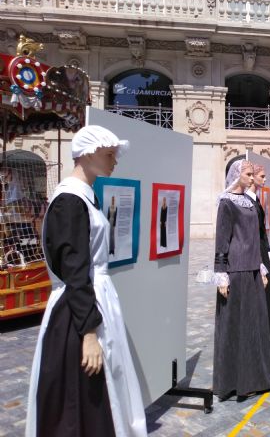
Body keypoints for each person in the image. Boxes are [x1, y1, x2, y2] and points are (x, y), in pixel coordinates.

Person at [26, 125, 146, 437]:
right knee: (80, 395)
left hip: (92, 300)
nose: (114, 161)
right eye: (109, 154)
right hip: (76, 310)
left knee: (97, 391)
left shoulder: (83, 197)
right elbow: (74, 270)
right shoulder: (69, 200)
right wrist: (89, 333)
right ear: (88, 154)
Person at [212, 160, 270, 399]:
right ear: (237, 175)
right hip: (235, 272)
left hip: (252, 270)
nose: (252, 178)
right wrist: (221, 274)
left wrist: (261, 267)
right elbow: (222, 239)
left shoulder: (250, 203)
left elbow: (255, 238)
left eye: (253, 175)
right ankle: (234, 382)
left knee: (256, 328)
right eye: (248, 174)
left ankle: (259, 379)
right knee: (236, 328)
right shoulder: (227, 202)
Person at [246, 162, 270, 371]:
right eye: (260, 176)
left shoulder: (257, 201)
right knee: (263, 303)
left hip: (263, 251)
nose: (264, 179)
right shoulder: (246, 201)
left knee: (269, 303)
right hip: (256, 254)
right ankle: (267, 359)